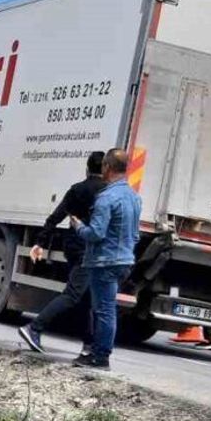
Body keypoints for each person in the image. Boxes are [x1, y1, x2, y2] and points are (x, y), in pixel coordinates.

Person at [18, 151, 106, 358]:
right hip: (90, 250)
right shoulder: (107, 192)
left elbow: (56, 217)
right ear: (105, 169)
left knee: (85, 297)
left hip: (73, 247)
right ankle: (34, 328)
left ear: (87, 169)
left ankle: (88, 344)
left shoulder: (76, 189)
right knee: (74, 294)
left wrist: (40, 243)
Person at [71, 148, 142, 371]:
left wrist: (78, 227)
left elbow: (96, 233)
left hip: (104, 261)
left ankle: (100, 357)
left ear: (107, 167)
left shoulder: (106, 198)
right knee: (105, 308)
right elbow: (135, 234)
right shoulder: (134, 197)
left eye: (103, 165)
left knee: (104, 309)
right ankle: (97, 353)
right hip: (124, 260)